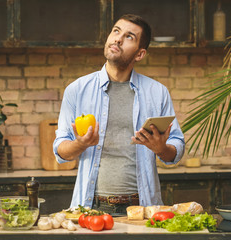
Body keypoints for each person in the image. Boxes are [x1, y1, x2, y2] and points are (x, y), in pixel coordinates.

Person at [53, 14, 185, 215]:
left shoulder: (157, 92)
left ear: (140, 54)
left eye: (129, 36)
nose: (118, 39)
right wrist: (81, 144)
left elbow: (177, 148)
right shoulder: (77, 90)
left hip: (143, 208)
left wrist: (161, 149)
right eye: (116, 31)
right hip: (90, 208)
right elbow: (60, 151)